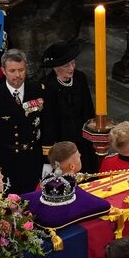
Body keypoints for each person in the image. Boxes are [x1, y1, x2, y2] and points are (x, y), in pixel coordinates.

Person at [0, 49, 51, 194]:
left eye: (21, 70)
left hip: (33, 158)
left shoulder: (39, 90)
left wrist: (47, 161)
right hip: (6, 162)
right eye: (12, 70)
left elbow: (49, 125)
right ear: (3, 71)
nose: (17, 75)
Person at [39, 41, 96, 172]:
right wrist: (47, 158)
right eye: (66, 65)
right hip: (62, 142)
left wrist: (94, 136)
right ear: (55, 67)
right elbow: (48, 123)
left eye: (73, 63)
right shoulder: (46, 86)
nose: (71, 68)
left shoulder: (80, 78)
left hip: (83, 138)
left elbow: (88, 109)